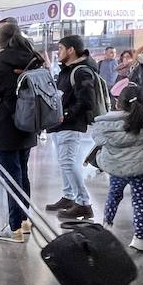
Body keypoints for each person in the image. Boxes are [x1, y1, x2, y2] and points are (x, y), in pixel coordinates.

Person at [0, 20, 42, 244]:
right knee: (22, 174)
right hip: (28, 125)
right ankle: (24, 221)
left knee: (10, 178)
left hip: (5, 127)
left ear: (0, 41)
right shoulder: (34, 60)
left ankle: (14, 226)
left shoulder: (2, 64)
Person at [91, 84, 143, 251]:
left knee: (113, 196)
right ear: (142, 103)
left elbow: (98, 139)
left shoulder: (107, 122)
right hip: (138, 169)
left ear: (118, 103)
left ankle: (106, 227)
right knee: (139, 203)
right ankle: (139, 238)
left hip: (117, 169)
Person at [45, 35, 103, 222]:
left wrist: (66, 114)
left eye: (61, 48)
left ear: (71, 50)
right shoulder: (69, 70)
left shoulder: (81, 72)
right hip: (61, 124)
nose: (58, 52)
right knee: (65, 163)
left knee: (69, 163)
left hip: (70, 124)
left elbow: (87, 101)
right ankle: (69, 196)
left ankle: (84, 204)